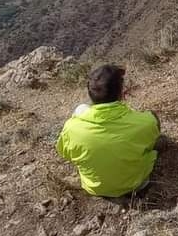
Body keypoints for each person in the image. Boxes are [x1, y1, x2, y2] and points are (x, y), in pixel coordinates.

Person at [56, 64, 160, 198]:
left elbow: (65, 153)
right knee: (151, 123)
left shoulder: (71, 127)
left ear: (90, 93)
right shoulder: (145, 122)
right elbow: (151, 138)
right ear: (120, 92)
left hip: (94, 187)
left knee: (80, 109)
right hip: (136, 184)